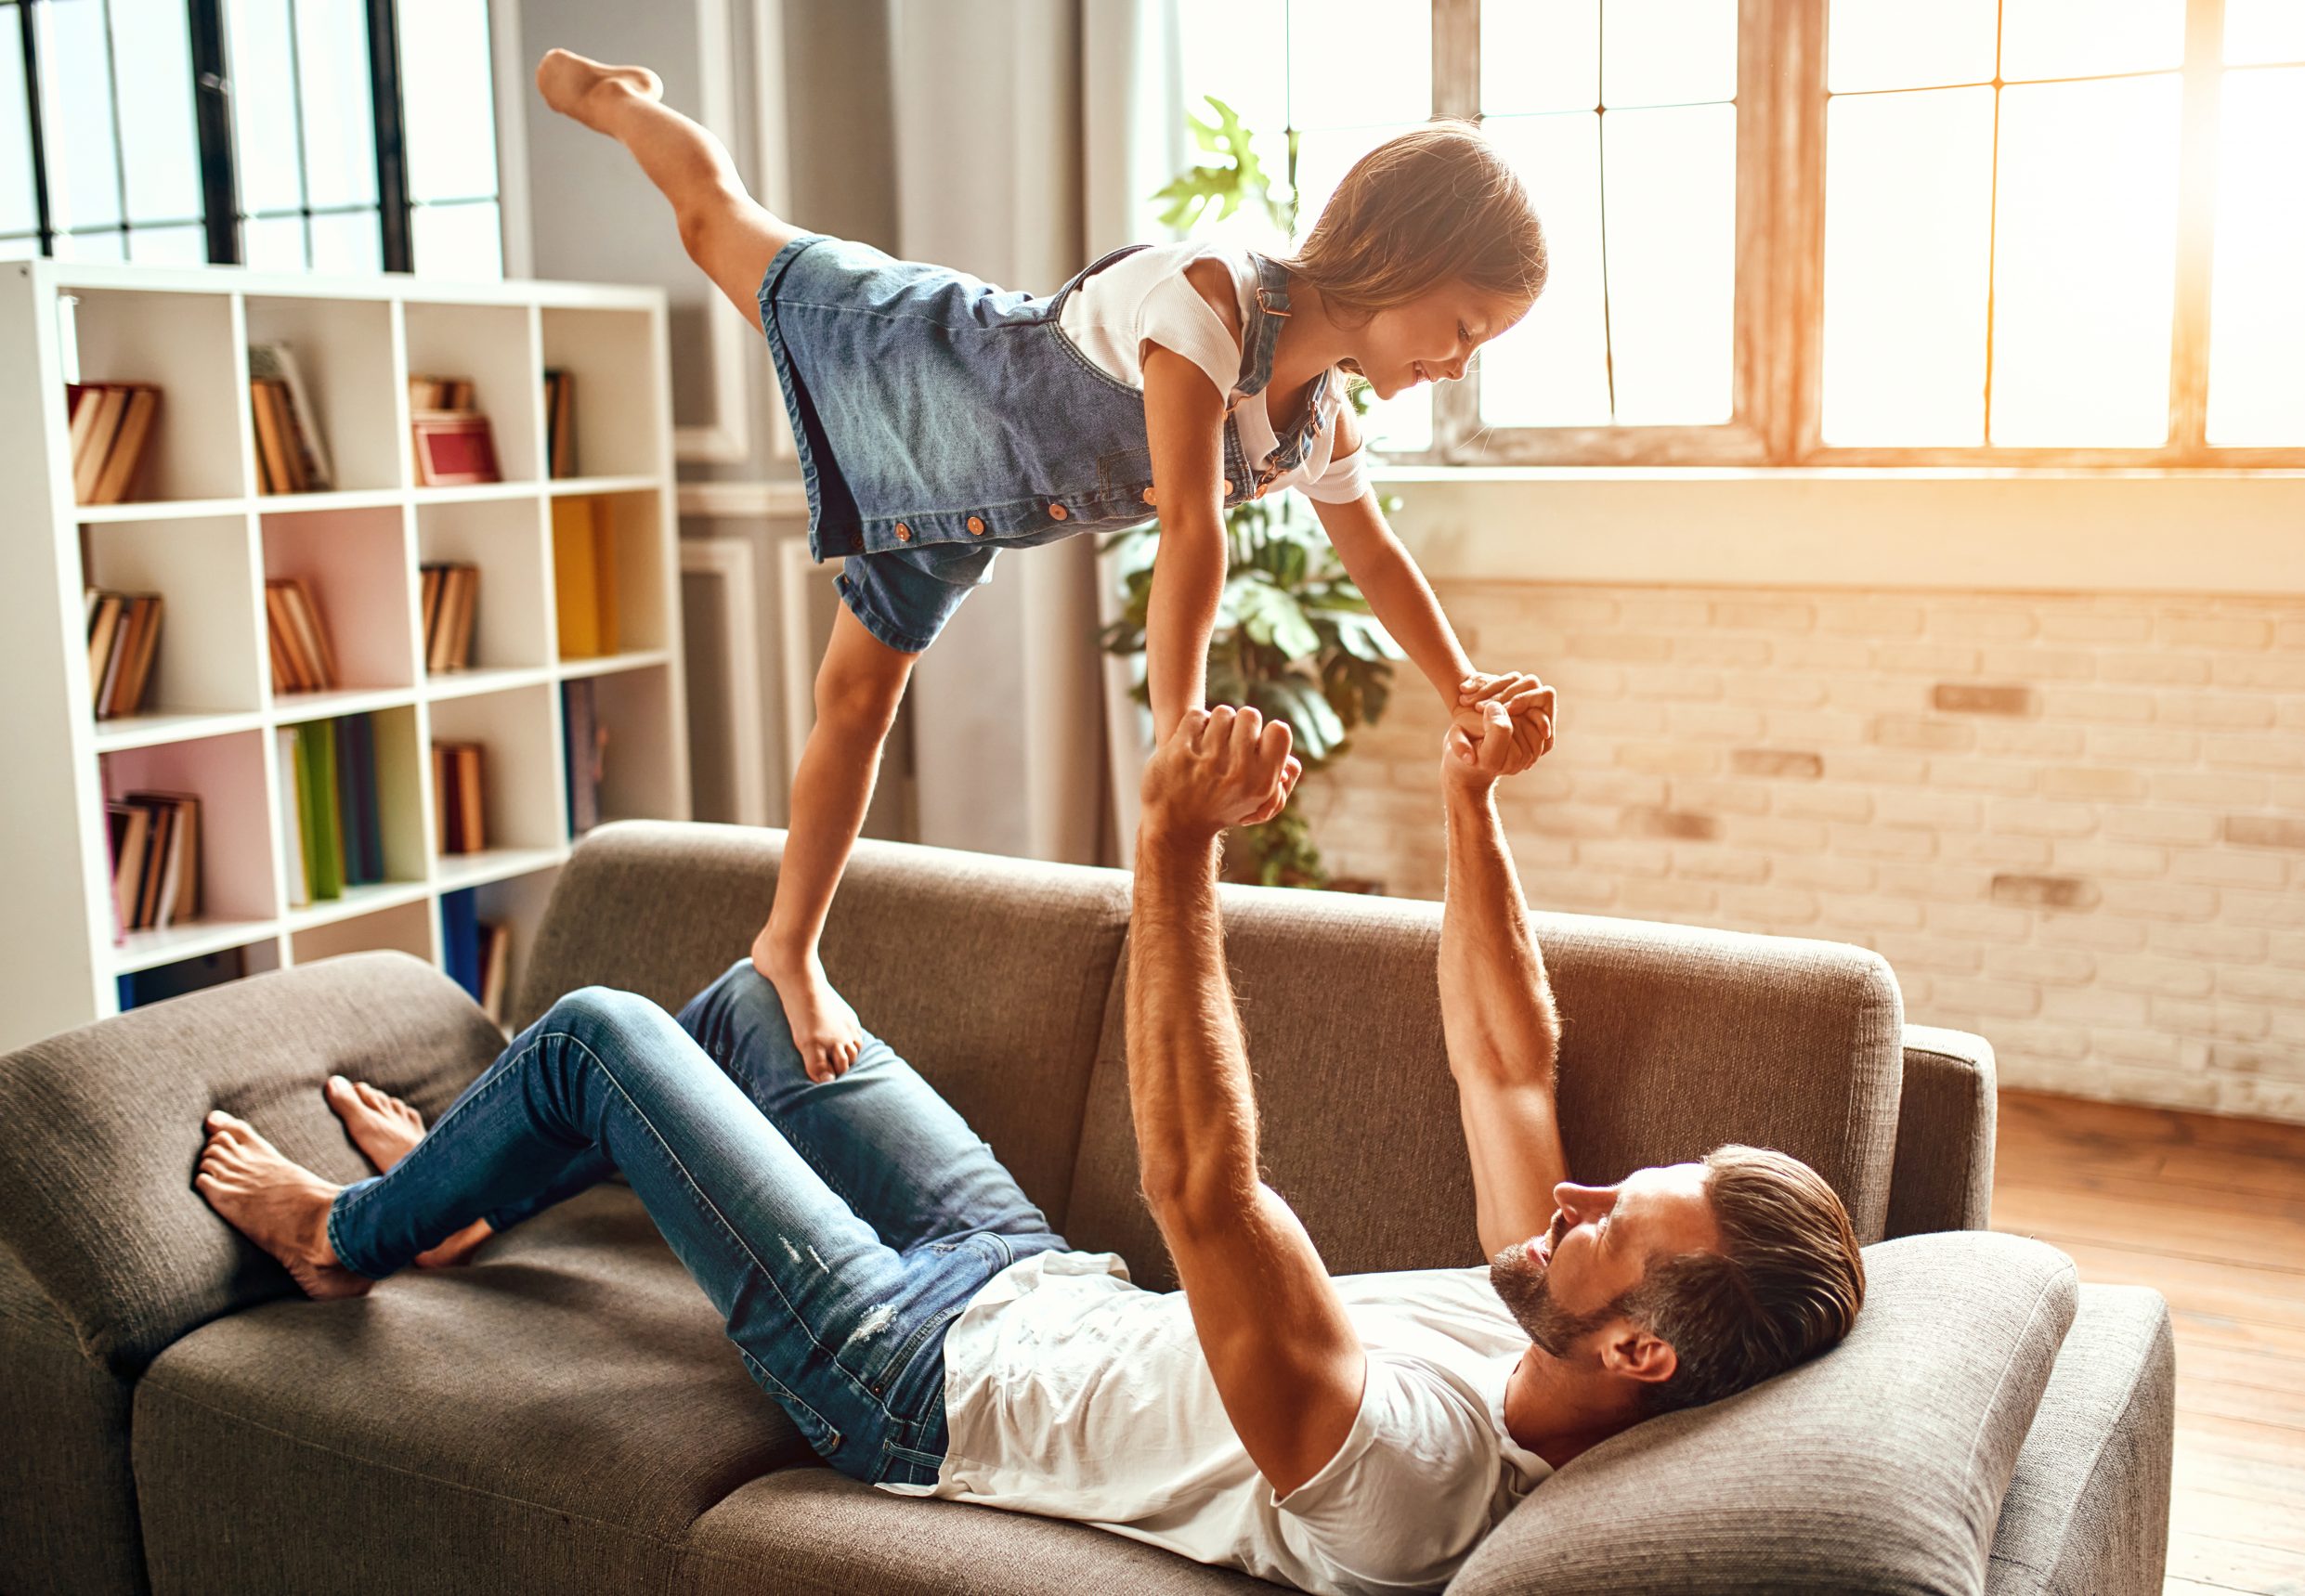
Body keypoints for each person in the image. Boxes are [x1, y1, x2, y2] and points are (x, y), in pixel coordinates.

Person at [195, 692, 1867, 1595]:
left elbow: (1205, 1190)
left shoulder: (1417, 1475)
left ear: (1643, 1341)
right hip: (1017, 1271)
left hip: (904, 1376)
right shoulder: (1542, 1311)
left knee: (595, 1031)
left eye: (1613, 1218)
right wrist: (1470, 797)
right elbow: (1509, 1067)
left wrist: (1174, 853)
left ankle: (349, 1235)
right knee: (758, 1003)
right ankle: (467, 1196)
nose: (1576, 1191)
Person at [529, 48, 1556, 1083]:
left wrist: (1458, 683)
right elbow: (1192, 529)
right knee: (717, 223)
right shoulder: (1214, 299)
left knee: (852, 701)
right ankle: (621, 100)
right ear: (1399, 255)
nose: (1458, 363)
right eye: (1463, 327)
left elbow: (1375, 557)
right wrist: (1178, 732)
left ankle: (786, 946)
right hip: (925, 365)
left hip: (961, 513)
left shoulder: (1315, 427)